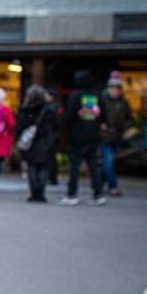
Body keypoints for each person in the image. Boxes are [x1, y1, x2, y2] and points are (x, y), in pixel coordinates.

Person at [60, 70, 106, 206]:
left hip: (77, 136)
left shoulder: (75, 96)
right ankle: (98, 194)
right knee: (93, 166)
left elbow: (68, 116)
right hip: (94, 136)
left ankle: (72, 194)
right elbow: (103, 116)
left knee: (74, 167)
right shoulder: (97, 96)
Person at [15, 84, 58, 203]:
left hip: (30, 141)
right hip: (44, 140)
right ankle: (41, 193)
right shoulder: (47, 108)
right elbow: (54, 125)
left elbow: (19, 126)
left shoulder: (25, 109)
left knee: (32, 166)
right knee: (43, 167)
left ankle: (34, 192)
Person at [99, 71, 132, 196]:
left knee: (107, 163)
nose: (114, 90)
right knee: (108, 163)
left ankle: (98, 185)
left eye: (117, 88)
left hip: (116, 136)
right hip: (103, 136)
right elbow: (95, 114)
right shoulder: (102, 99)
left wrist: (122, 128)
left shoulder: (123, 102)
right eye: (112, 87)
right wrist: (101, 125)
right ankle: (113, 186)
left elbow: (129, 119)